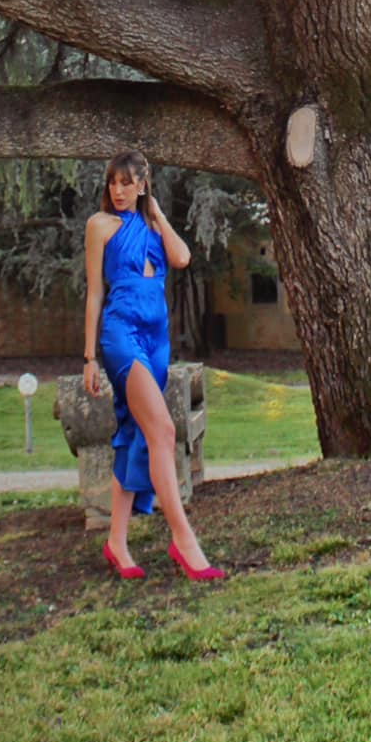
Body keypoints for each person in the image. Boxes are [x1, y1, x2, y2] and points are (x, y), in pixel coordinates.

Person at [83, 150, 225, 582]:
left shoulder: (150, 224)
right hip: (121, 333)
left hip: (156, 336)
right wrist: (89, 357)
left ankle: (117, 542)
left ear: (143, 184)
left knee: (134, 434)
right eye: (113, 183)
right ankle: (183, 539)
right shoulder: (100, 225)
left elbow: (181, 258)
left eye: (128, 183)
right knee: (162, 430)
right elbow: (93, 293)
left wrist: (158, 211)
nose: (118, 191)